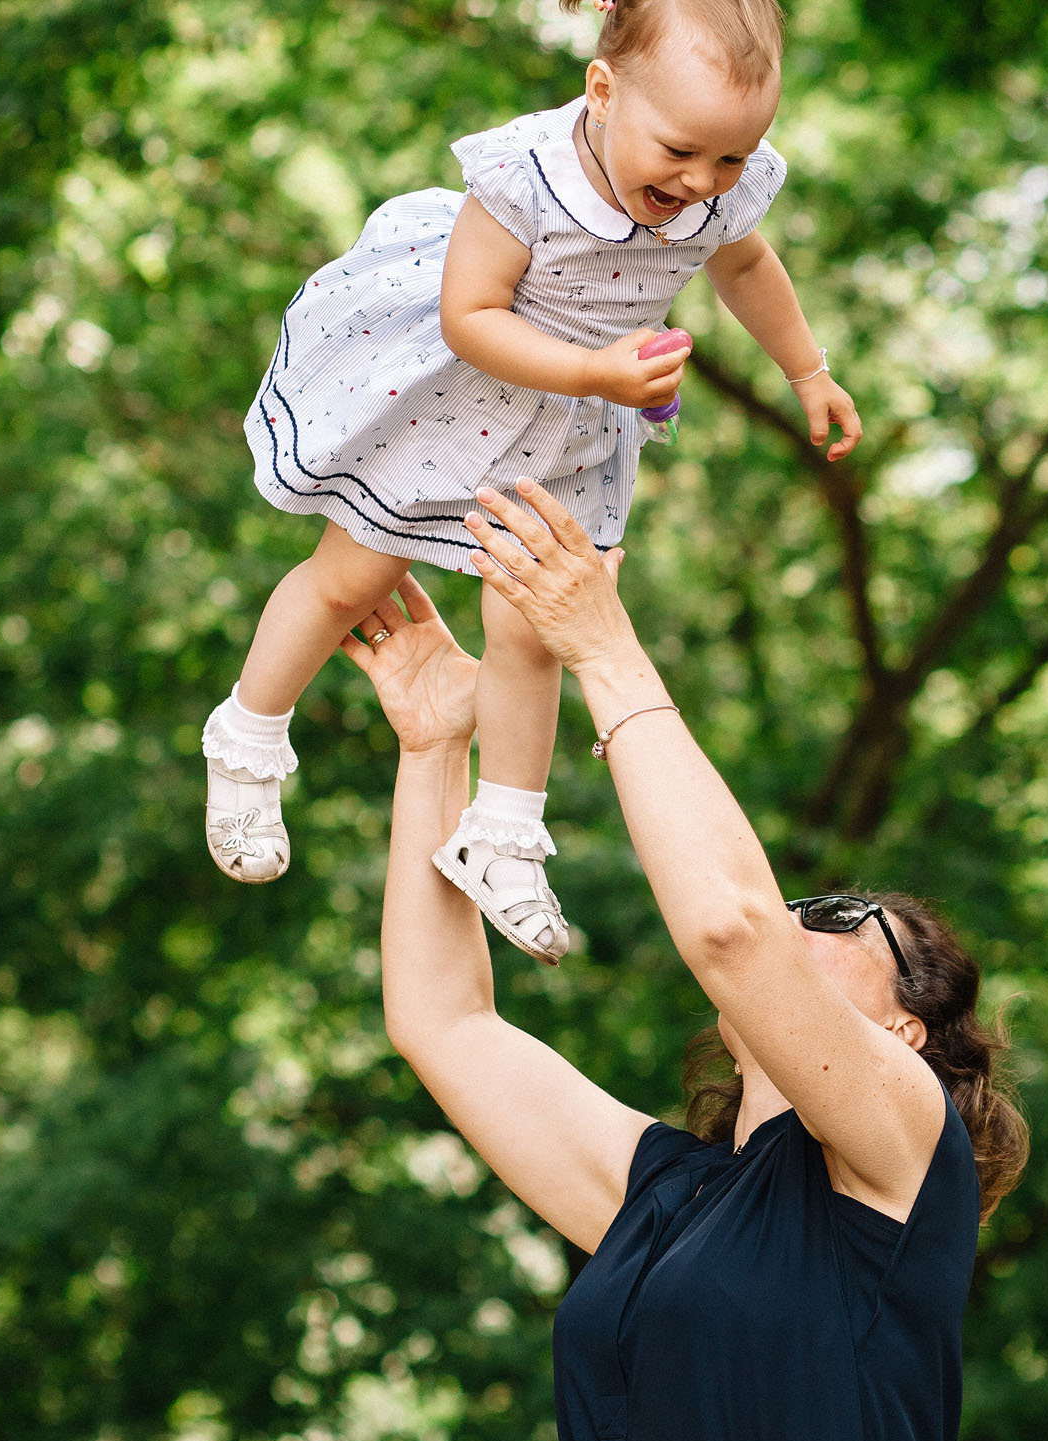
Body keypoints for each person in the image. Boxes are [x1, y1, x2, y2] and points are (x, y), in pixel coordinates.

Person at [339, 479, 1027, 1441]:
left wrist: (604, 645)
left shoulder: (901, 1148)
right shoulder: (665, 1196)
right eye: (807, 898)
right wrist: (434, 747)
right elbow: (442, 1022)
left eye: (849, 918)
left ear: (904, 1027)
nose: (804, 912)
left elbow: (730, 924)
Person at [203, 0, 862, 972]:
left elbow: (747, 264)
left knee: (532, 628)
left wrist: (807, 370)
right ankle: (247, 736)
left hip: (564, 431)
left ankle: (504, 833)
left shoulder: (718, 194)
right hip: (458, 393)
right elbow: (469, 316)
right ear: (602, 93)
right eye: (682, 151)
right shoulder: (527, 178)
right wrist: (597, 370)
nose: (701, 184)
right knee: (352, 577)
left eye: (731, 160)